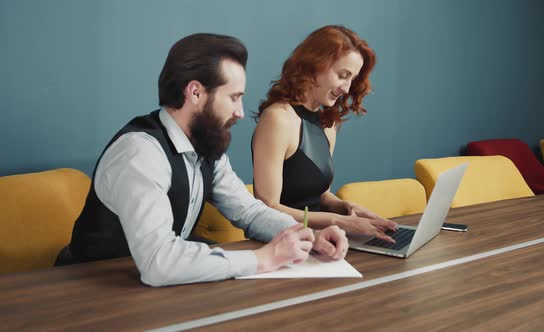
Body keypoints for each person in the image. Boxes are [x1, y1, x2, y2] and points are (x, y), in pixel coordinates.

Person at [55, 33, 348, 286]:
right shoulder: (140, 152)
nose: (240, 112)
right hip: (93, 290)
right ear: (195, 92)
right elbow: (159, 261)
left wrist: (306, 236)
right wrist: (263, 258)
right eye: (234, 97)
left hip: (154, 283)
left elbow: (249, 212)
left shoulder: (206, 146)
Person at [252, 25, 398, 242]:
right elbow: (268, 207)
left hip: (319, 239)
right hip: (279, 241)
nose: (347, 88)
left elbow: (320, 195)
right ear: (314, 66)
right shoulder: (278, 119)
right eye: (342, 75)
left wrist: (346, 207)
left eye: (352, 78)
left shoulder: (327, 124)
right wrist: (337, 221)